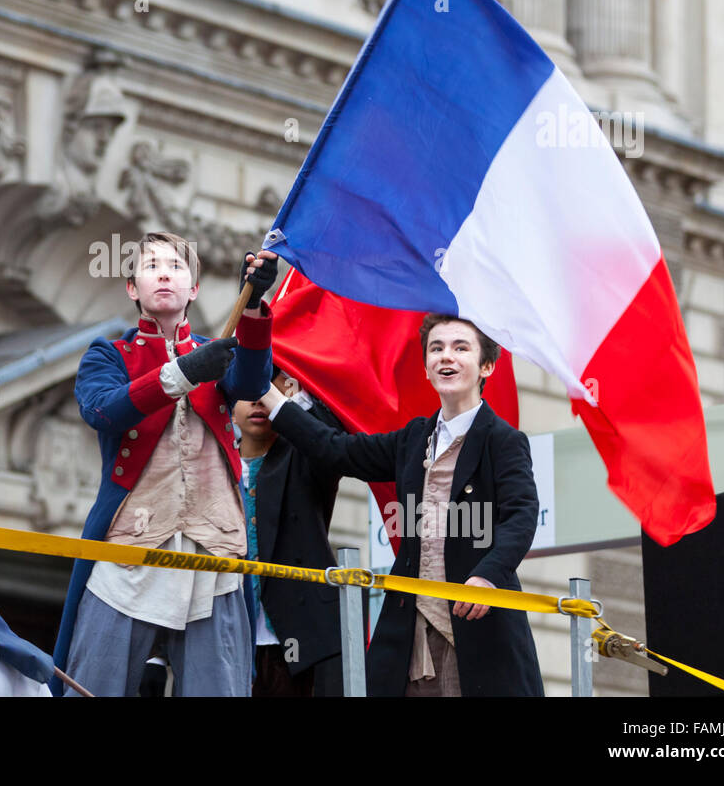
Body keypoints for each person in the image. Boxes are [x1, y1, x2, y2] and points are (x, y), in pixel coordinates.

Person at [260, 314, 543, 696]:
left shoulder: (503, 440)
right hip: (410, 633)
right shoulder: (413, 438)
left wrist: (488, 575)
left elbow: (521, 515)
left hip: (476, 627)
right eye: (437, 349)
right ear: (427, 368)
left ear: (485, 366)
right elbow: (335, 450)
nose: (448, 357)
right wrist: (268, 392)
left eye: (461, 348)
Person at [52, 232, 277, 696]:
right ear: (132, 288)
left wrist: (254, 305)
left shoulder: (216, 352)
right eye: (150, 265)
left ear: (193, 288)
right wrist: (184, 373)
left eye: (175, 266)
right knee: (92, 685)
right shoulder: (108, 355)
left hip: (215, 552)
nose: (163, 273)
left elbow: (252, 379)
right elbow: (103, 410)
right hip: (128, 552)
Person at [235, 367, 345, 696]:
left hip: (296, 645)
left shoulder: (307, 458)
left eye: (270, 387)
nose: (258, 398)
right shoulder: (211, 462)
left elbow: (329, 427)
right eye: (247, 388)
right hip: (226, 637)